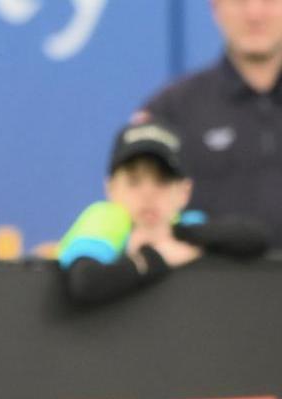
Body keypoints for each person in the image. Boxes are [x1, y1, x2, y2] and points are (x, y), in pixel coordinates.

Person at [59, 122, 268, 304]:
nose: (148, 194)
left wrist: (179, 234)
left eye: (162, 181)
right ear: (110, 188)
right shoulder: (105, 218)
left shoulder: (185, 225)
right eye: (134, 181)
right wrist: (157, 257)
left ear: (184, 192)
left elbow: (254, 238)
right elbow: (86, 283)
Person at [137, 0, 282, 245]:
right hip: (208, 280)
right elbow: (136, 209)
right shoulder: (172, 109)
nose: (255, 13)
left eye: (269, 0)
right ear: (216, 8)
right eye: (239, 2)